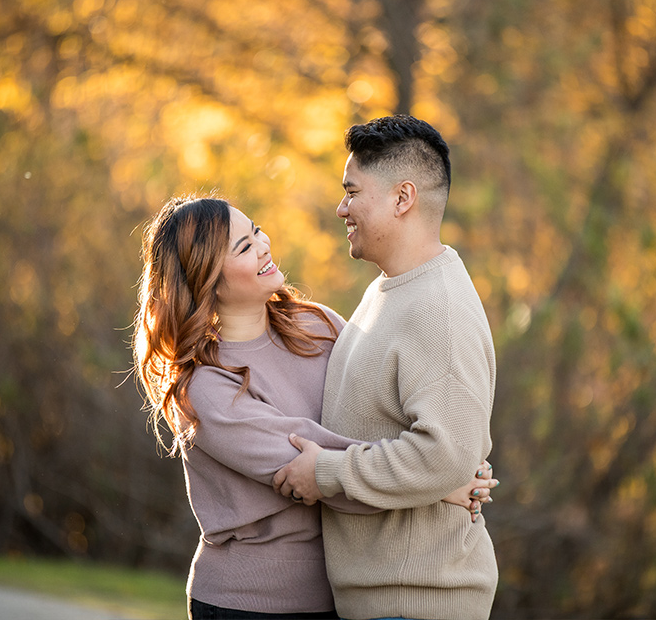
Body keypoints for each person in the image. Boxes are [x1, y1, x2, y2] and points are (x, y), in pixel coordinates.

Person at [133, 196, 496, 619]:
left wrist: (440, 458)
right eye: (244, 248)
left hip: (343, 594)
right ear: (207, 278)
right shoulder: (206, 387)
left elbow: (378, 416)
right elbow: (309, 468)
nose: (264, 245)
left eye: (257, 230)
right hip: (250, 604)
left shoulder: (317, 325)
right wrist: (433, 483)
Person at [273, 115, 499, 620]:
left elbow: (444, 457)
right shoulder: (391, 289)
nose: (341, 208)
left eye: (352, 192)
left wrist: (327, 473)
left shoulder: (438, 310)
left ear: (403, 198)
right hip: (381, 603)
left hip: (419, 603)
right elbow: (446, 457)